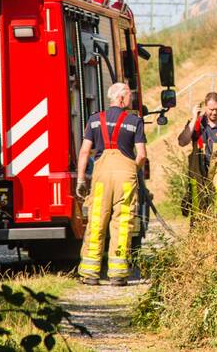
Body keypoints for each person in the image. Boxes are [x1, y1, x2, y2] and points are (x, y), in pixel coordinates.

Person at [75, 82, 147, 286]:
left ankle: (90, 274)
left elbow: (84, 152)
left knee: (97, 220)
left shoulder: (95, 120)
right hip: (126, 176)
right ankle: (118, 274)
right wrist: (133, 169)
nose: (131, 100)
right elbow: (141, 155)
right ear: (121, 98)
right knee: (122, 222)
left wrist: (81, 179)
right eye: (130, 97)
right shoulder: (135, 121)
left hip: (101, 176)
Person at [177, 92, 217, 220]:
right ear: (205, 107)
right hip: (197, 172)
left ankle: (215, 230)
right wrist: (194, 117)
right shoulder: (196, 123)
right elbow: (182, 142)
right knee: (197, 208)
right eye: (211, 109)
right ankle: (198, 233)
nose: (214, 112)